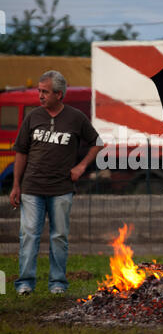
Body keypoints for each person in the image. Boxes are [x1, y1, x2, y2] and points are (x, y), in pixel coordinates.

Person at [9, 70, 103, 295]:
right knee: (29, 234)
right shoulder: (33, 117)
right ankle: (25, 283)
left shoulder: (76, 117)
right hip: (32, 187)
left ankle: (58, 283)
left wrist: (81, 167)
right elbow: (21, 152)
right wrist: (16, 185)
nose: (40, 96)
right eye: (39, 91)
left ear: (59, 94)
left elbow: (97, 143)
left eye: (45, 92)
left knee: (59, 236)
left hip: (61, 189)